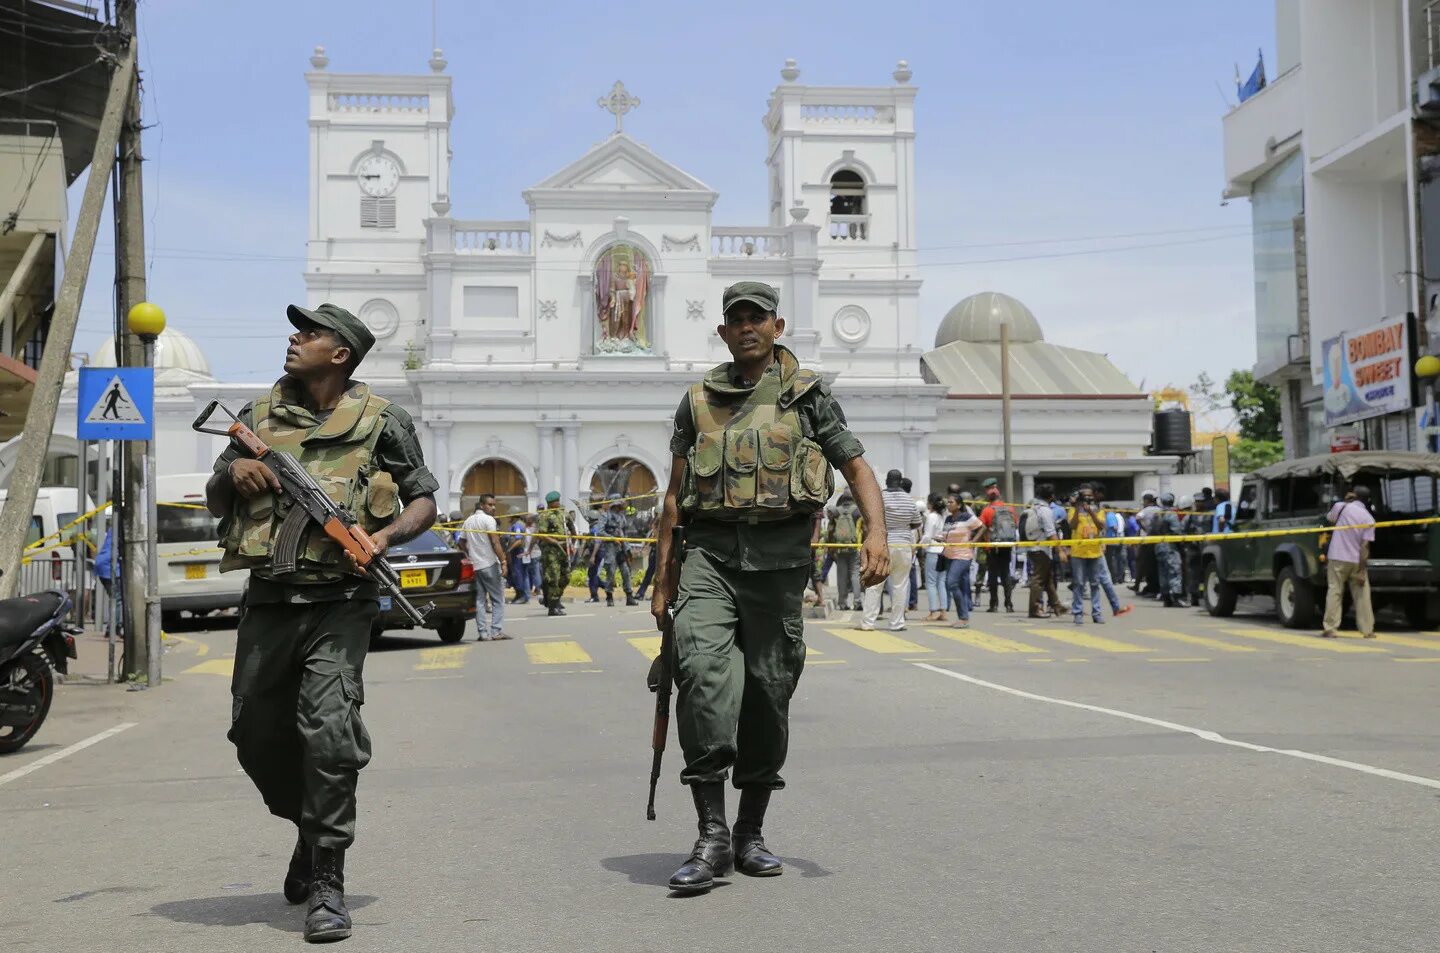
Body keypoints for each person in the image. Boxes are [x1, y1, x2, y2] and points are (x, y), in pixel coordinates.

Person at [205, 302, 439, 942]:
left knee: (328, 731)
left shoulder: (384, 421)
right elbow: (216, 497)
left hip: (342, 601)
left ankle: (328, 880)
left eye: (309, 333)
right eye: (297, 329)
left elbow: (424, 495)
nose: (294, 338)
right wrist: (235, 471)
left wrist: (385, 535)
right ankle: (309, 829)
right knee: (255, 733)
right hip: (270, 599)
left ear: (340, 354)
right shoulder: (254, 417)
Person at [651, 280, 888, 894]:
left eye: (759, 318)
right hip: (708, 558)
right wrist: (661, 582)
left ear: (776, 327)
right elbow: (674, 497)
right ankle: (711, 836)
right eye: (737, 320)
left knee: (767, 692)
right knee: (701, 677)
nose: (748, 328)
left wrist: (876, 535)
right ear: (725, 332)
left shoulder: (808, 396)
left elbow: (855, 464)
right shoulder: (697, 401)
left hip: (780, 565)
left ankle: (750, 832)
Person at [860, 469, 922, 632]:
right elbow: (916, 523)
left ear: (886, 482)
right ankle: (897, 623)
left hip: (883, 545)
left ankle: (868, 622)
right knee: (900, 585)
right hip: (903, 546)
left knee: (875, 584)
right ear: (901, 482)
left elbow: (870, 519)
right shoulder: (909, 500)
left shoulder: (880, 498)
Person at [1323, 486, 1376, 639]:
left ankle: (1331, 628)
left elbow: (1330, 518)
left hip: (1337, 556)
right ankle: (1367, 630)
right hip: (1356, 560)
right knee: (1362, 594)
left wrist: (1345, 501)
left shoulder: (1341, 507)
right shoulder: (1369, 518)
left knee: (1335, 591)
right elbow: (1365, 546)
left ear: (1353, 495)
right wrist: (1361, 571)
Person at [463, 495, 511, 639]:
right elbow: (495, 542)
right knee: (498, 599)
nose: (493, 507)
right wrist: (503, 561)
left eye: (494, 504)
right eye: (490, 504)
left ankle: (483, 633)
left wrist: (470, 554)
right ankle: (496, 631)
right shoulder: (488, 520)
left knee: (480, 600)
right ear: (482, 505)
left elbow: (461, 541)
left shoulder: (468, 521)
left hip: (475, 565)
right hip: (489, 564)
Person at [586, 494, 637, 607]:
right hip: (610, 548)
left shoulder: (622, 517)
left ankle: (629, 596)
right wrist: (612, 538)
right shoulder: (605, 516)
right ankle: (609, 596)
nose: (620, 506)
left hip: (621, 548)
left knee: (626, 572)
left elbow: (624, 535)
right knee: (610, 572)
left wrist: (628, 549)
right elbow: (600, 531)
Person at [941, 495, 984, 627]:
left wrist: (973, 541)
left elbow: (982, 527)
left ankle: (964, 616)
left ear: (959, 505)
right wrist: (938, 538)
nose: (948, 504)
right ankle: (963, 617)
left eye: (951, 502)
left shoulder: (966, 517)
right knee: (957, 585)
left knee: (951, 583)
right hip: (949, 555)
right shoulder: (948, 519)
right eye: (947, 502)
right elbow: (945, 535)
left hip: (963, 555)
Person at [977, 478, 1019, 612]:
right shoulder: (1010, 508)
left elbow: (982, 527)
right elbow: (1015, 524)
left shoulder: (987, 510)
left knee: (993, 575)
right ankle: (1009, 604)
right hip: (1006, 545)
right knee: (1006, 574)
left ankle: (993, 604)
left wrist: (975, 540)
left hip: (992, 547)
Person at [1023, 484, 1061, 618]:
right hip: (1041, 549)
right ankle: (1034, 609)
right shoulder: (1045, 510)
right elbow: (1051, 532)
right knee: (1038, 580)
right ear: (1051, 496)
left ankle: (1057, 606)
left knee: (1048, 578)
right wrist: (1060, 550)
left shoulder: (1033, 507)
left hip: (1032, 547)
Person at [826, 490, 863, 610]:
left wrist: (831, 546)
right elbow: (864, 528)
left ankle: (842, 603)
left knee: (841, 575)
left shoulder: (836, 511)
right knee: (855, 574)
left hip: (840, 548)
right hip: (853, 547)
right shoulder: (857, 511)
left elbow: (831, 529)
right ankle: (857, 602)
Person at [536, 492, 571, 616]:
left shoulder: (564, 515)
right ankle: (553, 606)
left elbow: (573, 530)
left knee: (566, 577)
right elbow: (541, 534)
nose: (558, 503)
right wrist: (555, 542)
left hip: (564, 550)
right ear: (551, 503)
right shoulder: (545, 516)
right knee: (553, 578)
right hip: (551, 551)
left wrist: (572, 545)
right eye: (555, 501)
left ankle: (554, 599)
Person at [1152, 492, 1187, 607]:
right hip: (1170, 546)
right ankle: (1176, 597)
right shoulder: (1171, 514)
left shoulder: (1157, 514)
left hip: (1158, 545)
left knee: (1163, 572)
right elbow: (1176, 531)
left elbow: (1152, 530)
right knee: (1174, 571)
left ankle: (1166, 597)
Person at [920, 493, 950, 622]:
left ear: (931, 503)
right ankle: (943, 611)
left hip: (933, 550)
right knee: (941, 582)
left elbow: (927, 535)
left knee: (931, 583)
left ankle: (933, 611)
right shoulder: (944, 516)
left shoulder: (931, 516)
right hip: (943, 550)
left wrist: (921, 546)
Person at [1133, 492, 1160, 596]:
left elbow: (1138, 517)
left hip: (1146, 540)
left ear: (1146, 501)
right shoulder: (1159, 509)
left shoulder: (1144, 510)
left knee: (1144, 563)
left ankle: (1147, 587)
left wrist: (1144, 528)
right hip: (1158, 539)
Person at [505, 512, 529, 603]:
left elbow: (518, 540)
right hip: (515, 552)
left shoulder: (518, 525)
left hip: (517, 552)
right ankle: (518, 595)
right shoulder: (515, 525)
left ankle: (522, 596)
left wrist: (509, 550)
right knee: (515, 574)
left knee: (518, 574)